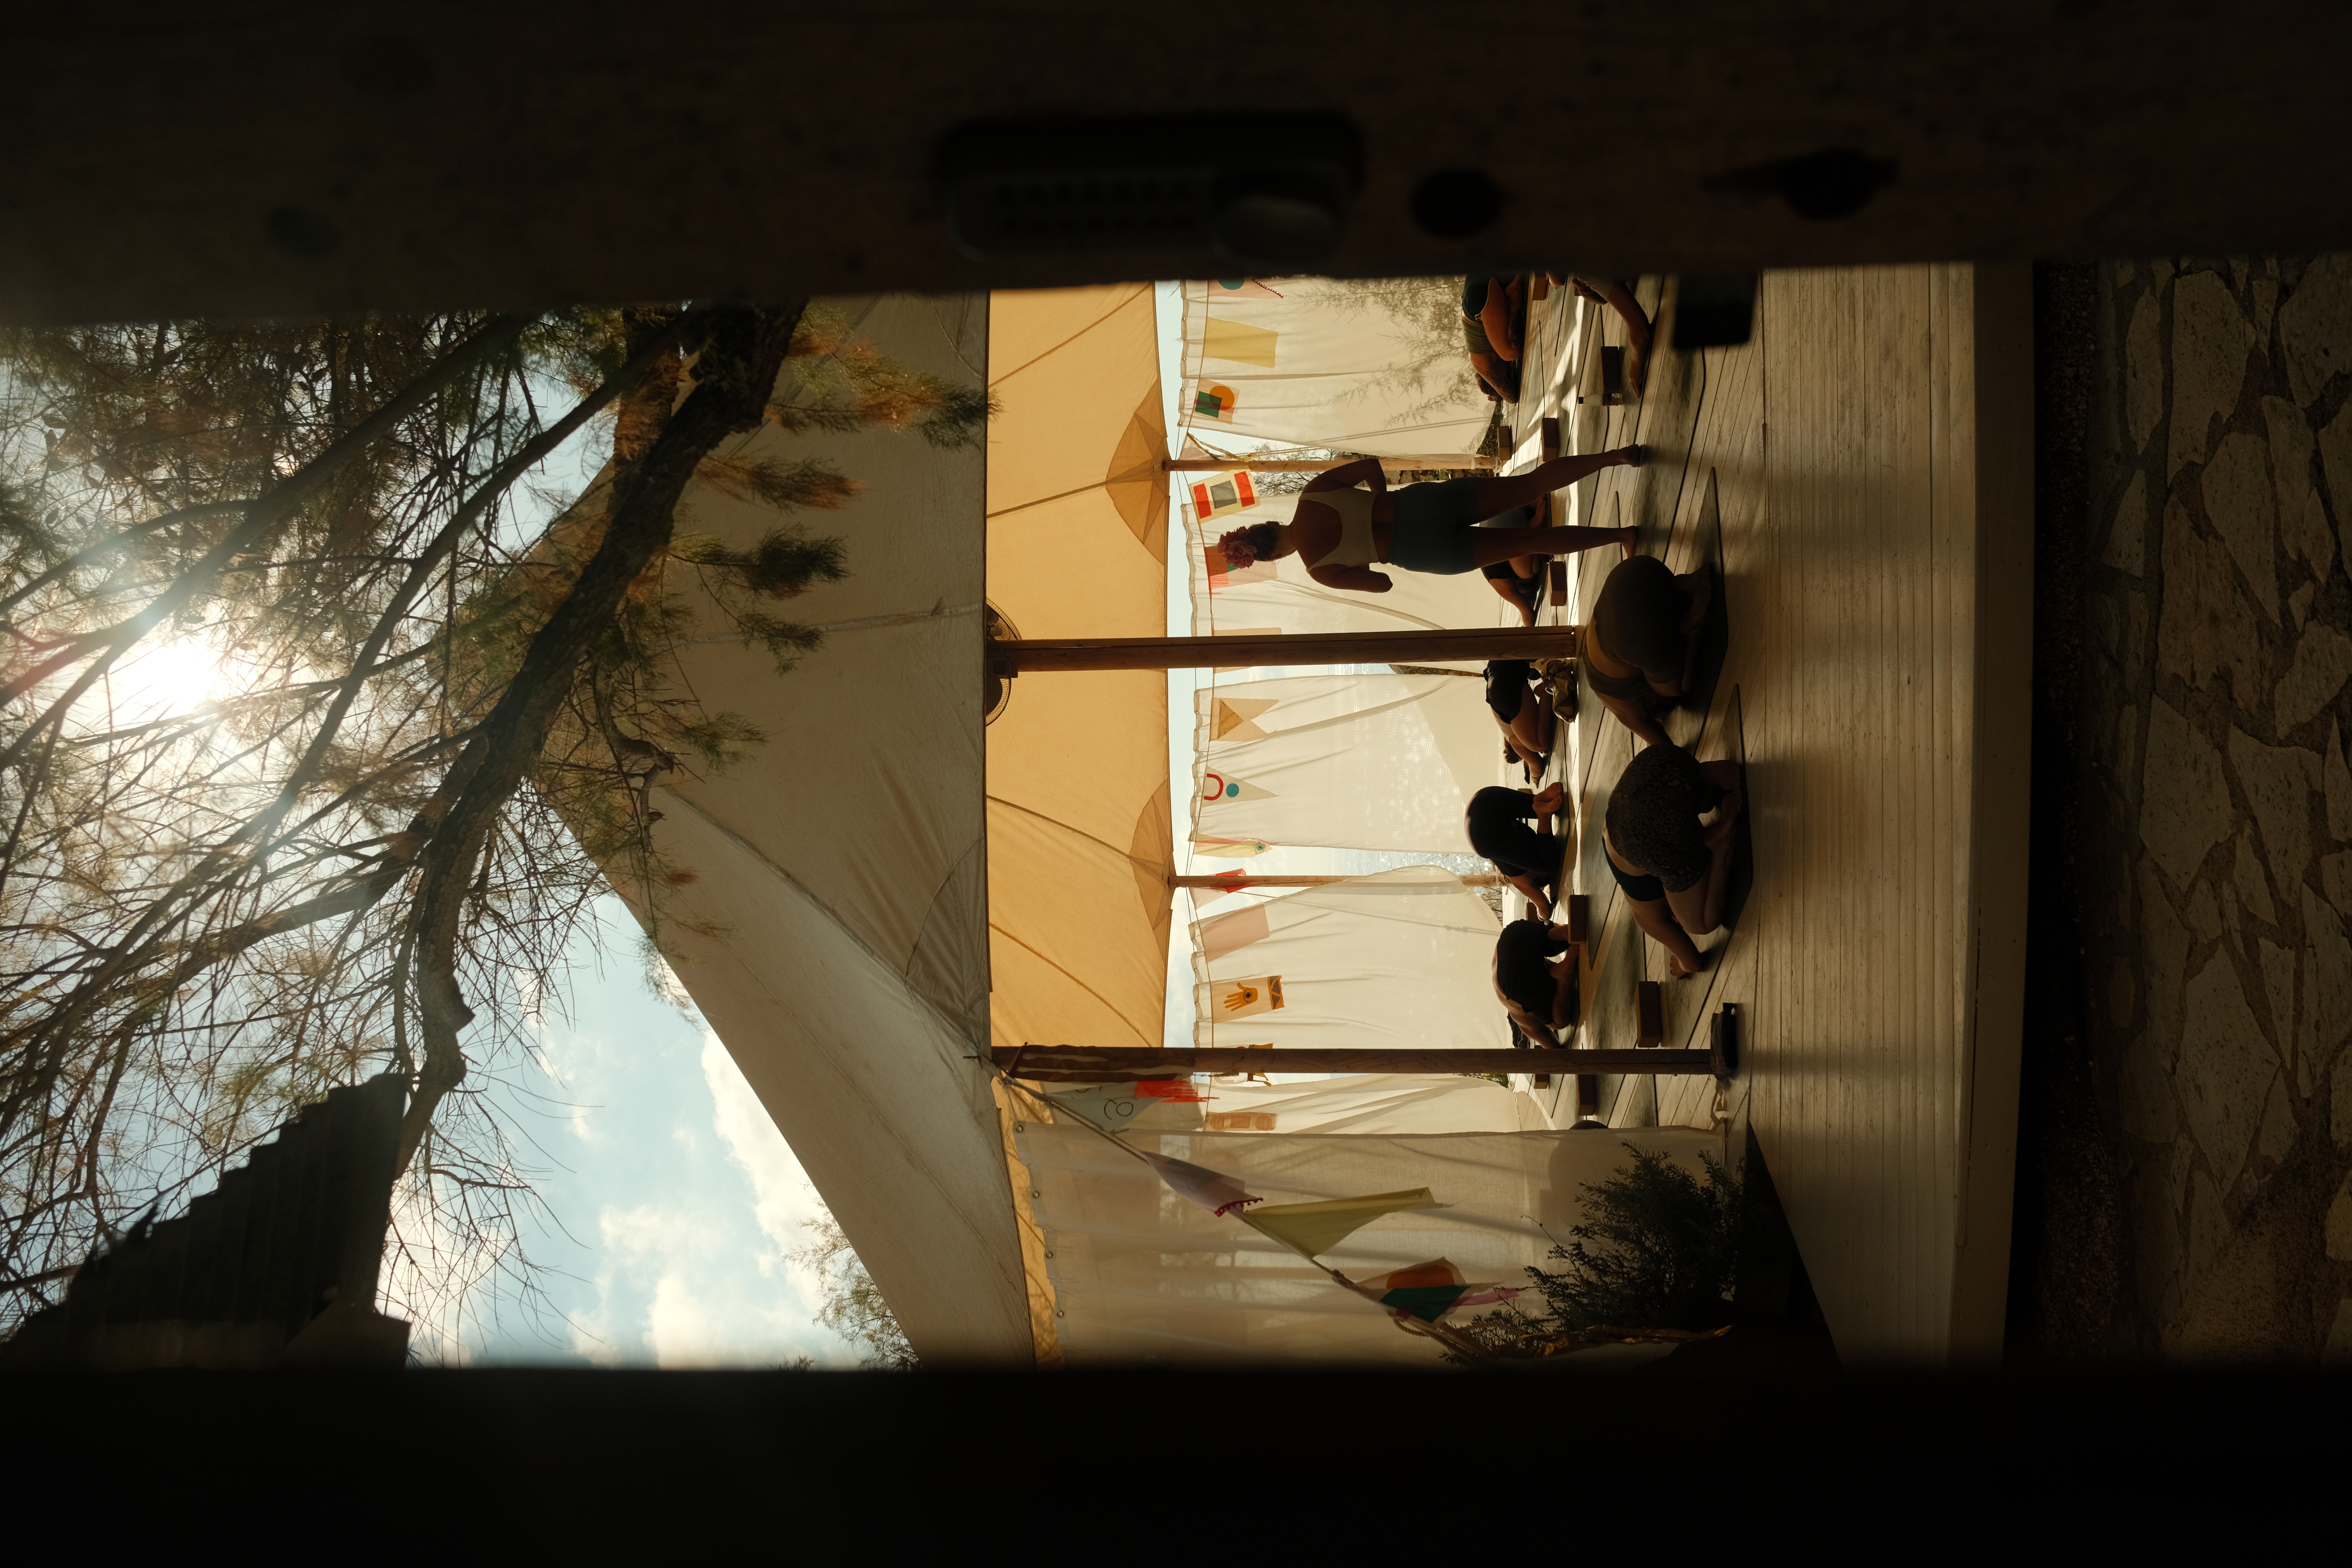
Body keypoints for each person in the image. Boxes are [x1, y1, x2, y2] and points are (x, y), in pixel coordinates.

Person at [1217, 451, 1641, 593]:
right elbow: (1369, 464)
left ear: (1274, 553)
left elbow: (1382, 585)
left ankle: (1621, 535)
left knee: (1530, 541)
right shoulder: (1314, 493)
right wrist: (1381, 499)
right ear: (1268, 524)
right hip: (1418, 507)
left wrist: (1363, 558)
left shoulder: (1319, 570)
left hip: (1420, 552)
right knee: (1526, 486)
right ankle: (1614, 457)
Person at [1601, 742, 1743, 978]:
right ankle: (1711, 774)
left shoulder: (1647, 920)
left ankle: (1719, 841)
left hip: (1656, 834)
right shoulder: (1628, 859)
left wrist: (1683, 965)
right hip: (1658, 764)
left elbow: (1694, 962)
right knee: (1679, 795)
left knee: (1700, 924)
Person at [1463, 273, 1656, 404]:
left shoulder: (1483, 366)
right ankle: (1514, 288)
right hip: (1481, 283)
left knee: (1510, 353)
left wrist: (1637, 362)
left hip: (1480, 294)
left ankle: (1515, 290)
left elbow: (1512, 398)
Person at [1583, 554, 1715, 747]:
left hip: (1633, 636)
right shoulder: (1593, 670)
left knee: (1677, 688)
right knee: (1654, 606)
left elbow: (1662, 749)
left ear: (1649, 703)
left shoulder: (1627, 711)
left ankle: (1691, 625)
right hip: (1633, 571)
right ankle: (1687, 583)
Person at [1465, 781, 1566, 920]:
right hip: (1482, 799)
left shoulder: (1517, 880)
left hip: (1482, 833)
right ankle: (1541, 799)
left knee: (1548, 866)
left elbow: (1544, 908)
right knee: (1533, 807)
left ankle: (1544, 816)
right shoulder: (1516, 848)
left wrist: (1541, 917)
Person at [1493, 916, 1577, 1047]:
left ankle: (1563, 980)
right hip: (1511, 934)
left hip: (1513, 981)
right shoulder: (1497, 969)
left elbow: (1553, 1046)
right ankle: (1564, 932)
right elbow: (1531, 960)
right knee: (1546, 937)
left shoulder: (1521, 1019)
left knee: (1558, 1023)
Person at [1485, 657, 1553, 777]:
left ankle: (1546, 689)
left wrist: (1534, 776)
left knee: (1538, 745)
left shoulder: (1515, 742)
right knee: (1533, 675)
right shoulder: (1507, 728)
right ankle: (1546, 686)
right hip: (1497, 669)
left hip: (1503, 686)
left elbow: (1536, 766)